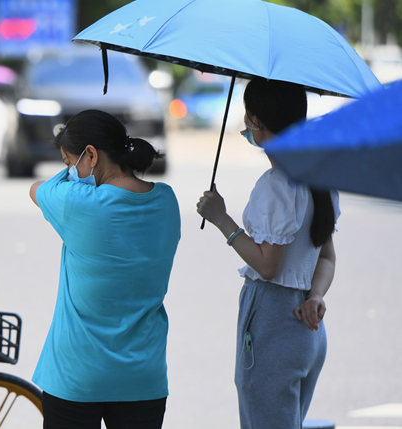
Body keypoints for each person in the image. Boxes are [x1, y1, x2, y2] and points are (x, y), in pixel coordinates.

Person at [196, 77, 340, 429]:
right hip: (307, 329)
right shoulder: (320, 178)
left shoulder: (276, 184)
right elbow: (326, 256)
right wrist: (315, 295)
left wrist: (221, 220)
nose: (246, 125)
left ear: (257, 121)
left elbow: (268, 264)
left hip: (274, 324)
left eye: (248, 117)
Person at [28, 109, 181, 429]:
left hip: (76, 374)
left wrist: (69, 174)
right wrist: (77, 163)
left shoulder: (79, 202)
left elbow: (36, 189)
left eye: (70, 163)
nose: (70, 172)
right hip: (143, 376)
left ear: (92, 155)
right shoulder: (166, 201)